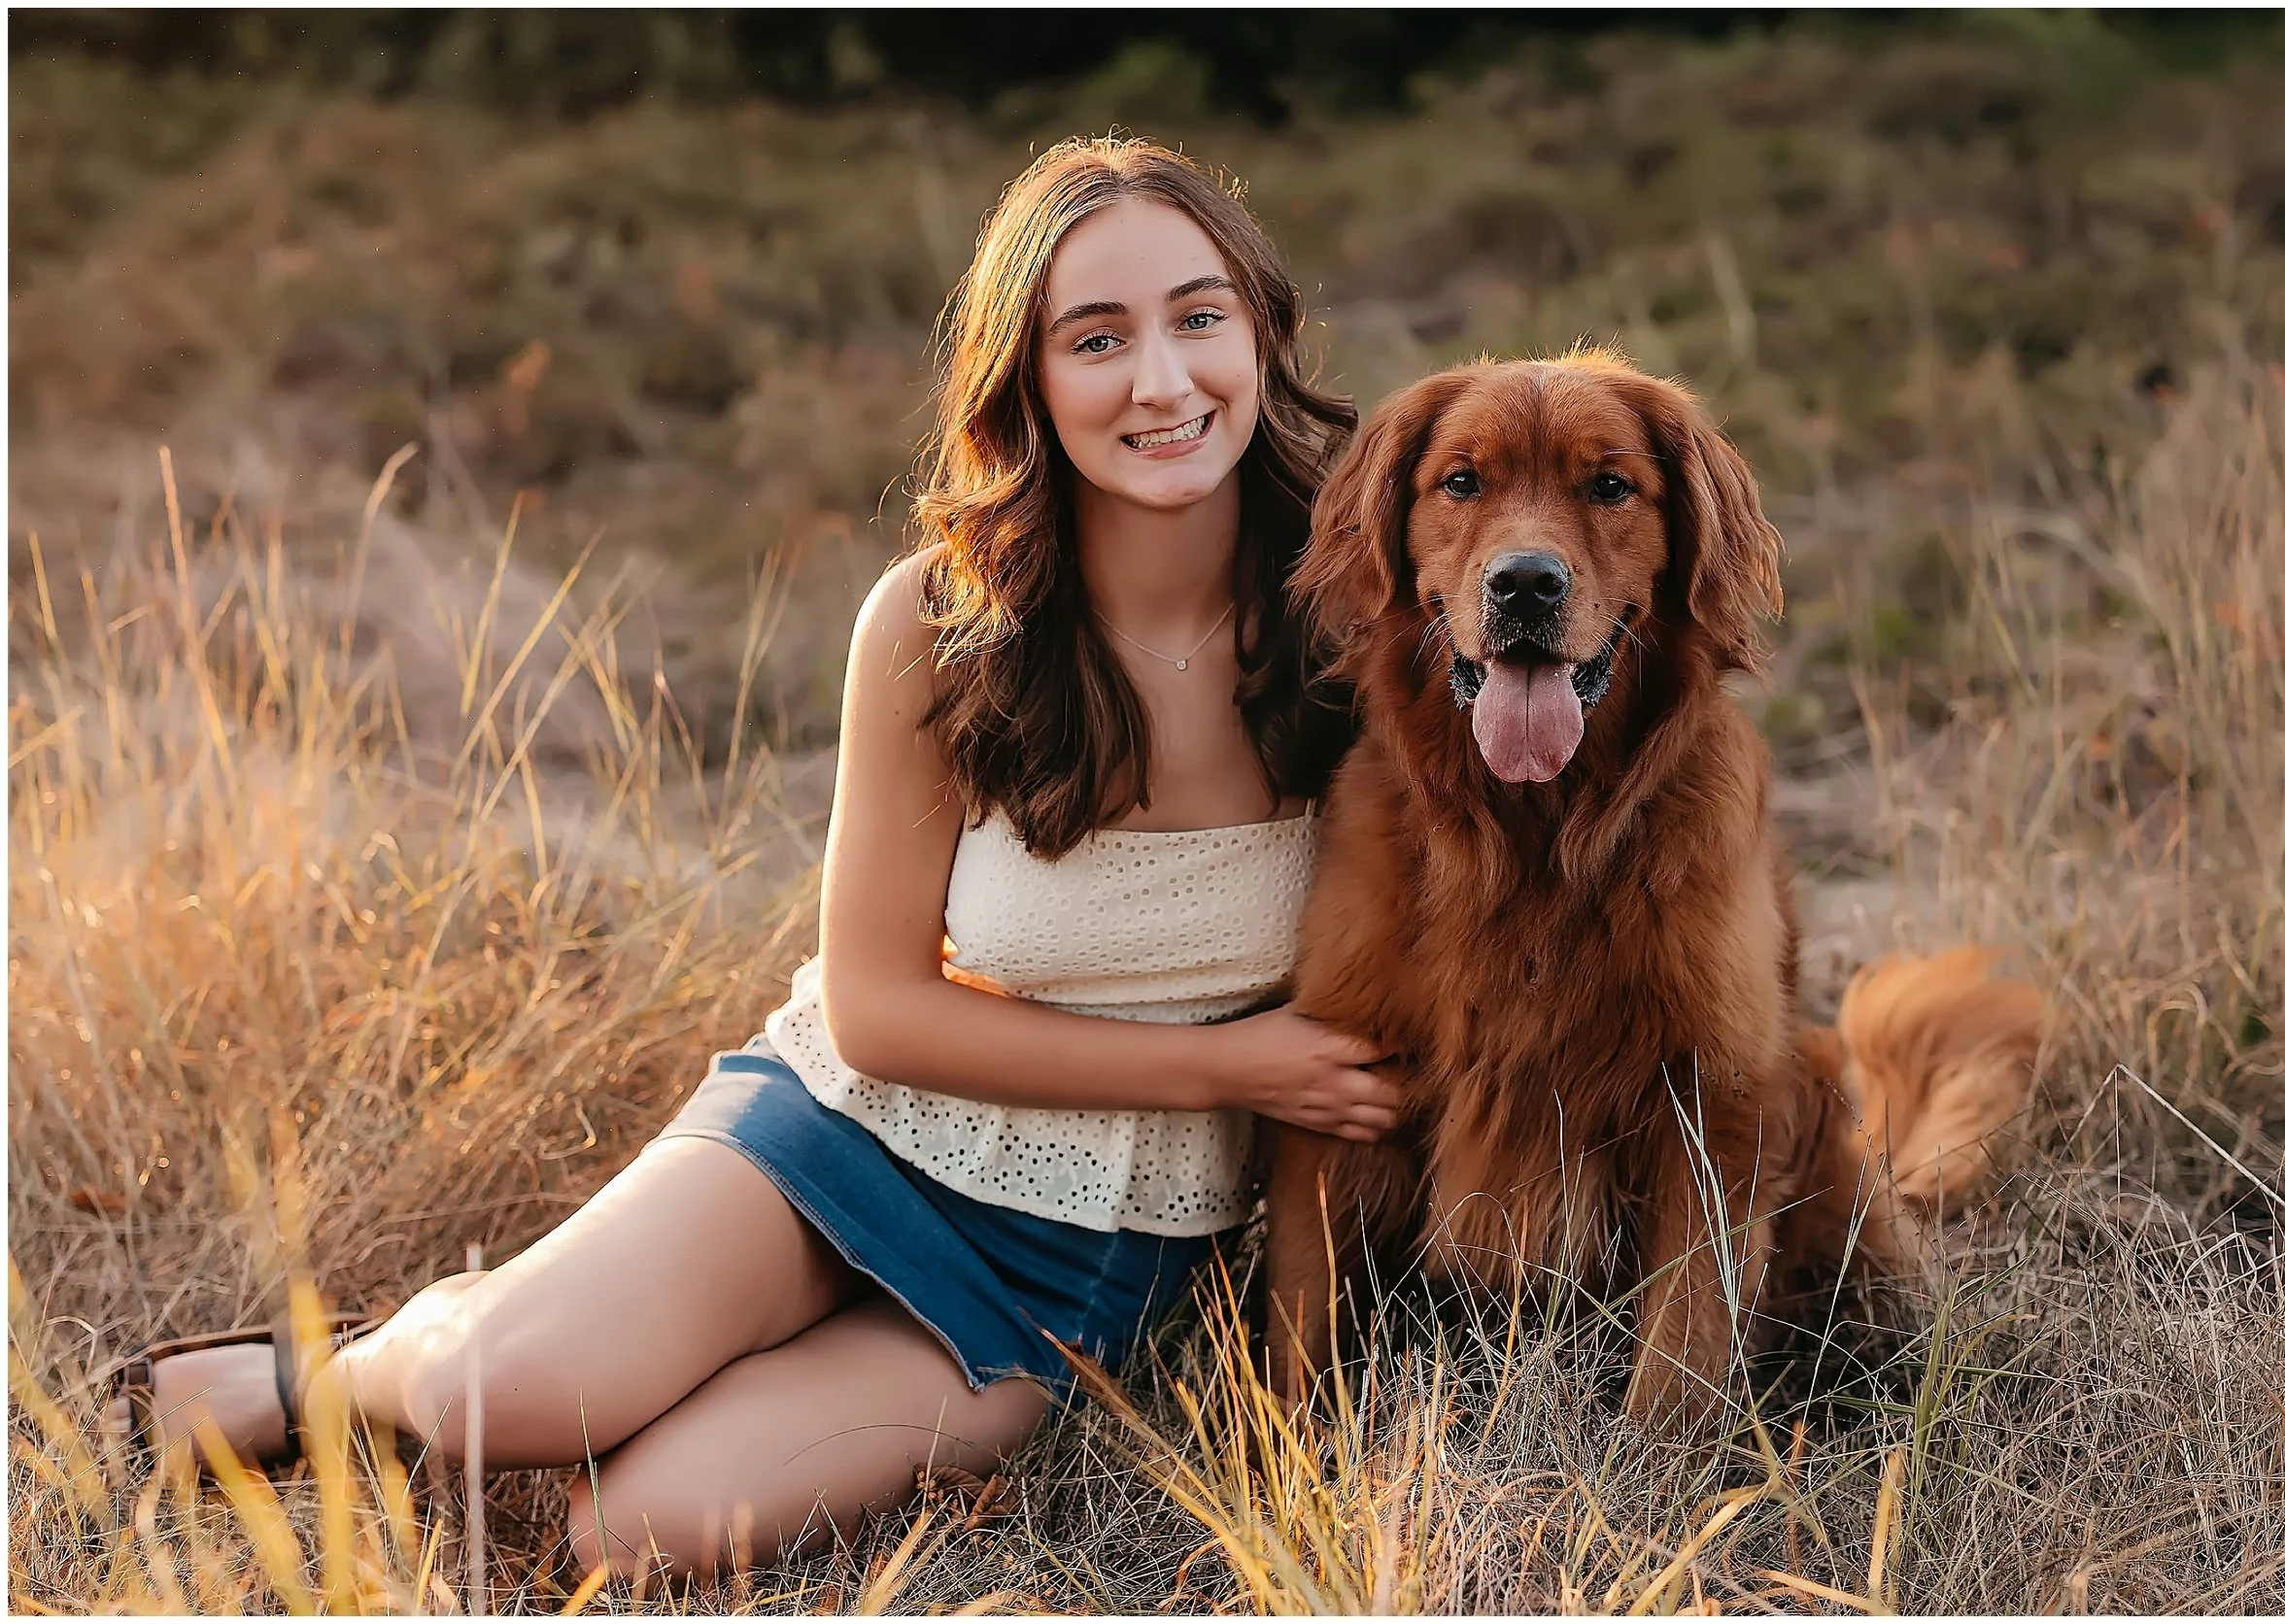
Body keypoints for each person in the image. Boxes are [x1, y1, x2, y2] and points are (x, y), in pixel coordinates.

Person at [98, 136, 1405, 1582]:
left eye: (1197, 315)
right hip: (851, 1135)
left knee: (631, 1536)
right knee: (500, 1400)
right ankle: (335, 1377)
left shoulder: (1371, 621)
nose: (1161, 382)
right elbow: (879, 1015)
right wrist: (1238, 1068)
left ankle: (604, 1337)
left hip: (1081, 1272)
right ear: (1026, 380)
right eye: (1096, 339)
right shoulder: (941, 625)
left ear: (1264, 328)